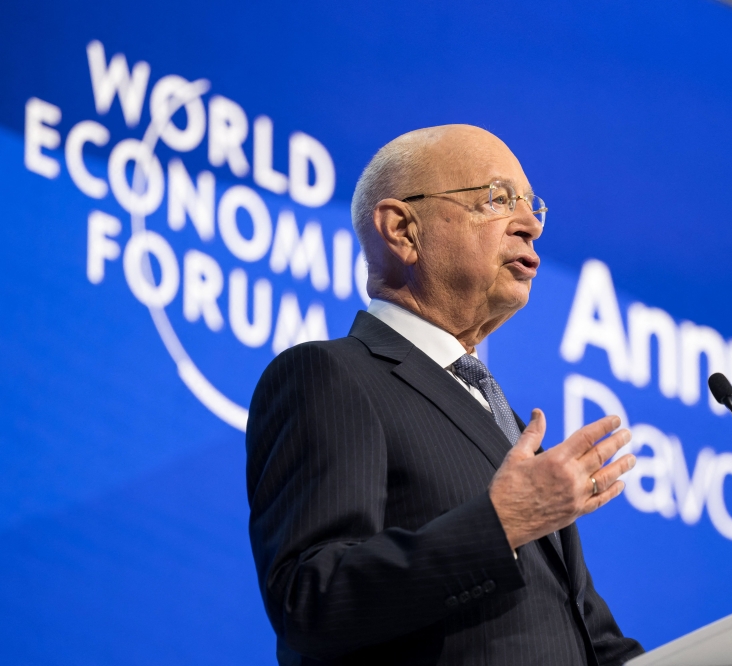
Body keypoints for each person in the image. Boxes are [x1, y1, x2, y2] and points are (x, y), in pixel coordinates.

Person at [246, 124, 643, 665]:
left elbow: (585, 639)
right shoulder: (333, 376)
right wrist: (501, 524)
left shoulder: (494, 413)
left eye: (532, 206)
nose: (530, 226)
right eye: (498, 199)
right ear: (403, 230)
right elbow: (310, 602)